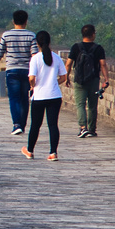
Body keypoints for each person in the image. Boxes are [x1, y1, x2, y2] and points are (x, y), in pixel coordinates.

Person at [0, 10, 36, 135]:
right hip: (27, 70)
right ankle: (23, 124)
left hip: (12, 70)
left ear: (13, 21)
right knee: (24, 98)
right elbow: (35, 55)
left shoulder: (6, 35)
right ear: (26, 22)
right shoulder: (31, 36)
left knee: (14, 98)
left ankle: (16, 124)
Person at [23, 30, 67, 161]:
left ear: (37, 43)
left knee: (36, 125)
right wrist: (54, 82)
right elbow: (64, 77)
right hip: (54, 96)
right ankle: (53, 152)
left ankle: (30, 150)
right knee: (53, 125)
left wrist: (33, 85)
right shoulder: (57, 58)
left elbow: (31, 78)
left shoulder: (35, 58)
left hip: (40, 96)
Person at [68, 24, 108, 138]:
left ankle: (82, 128)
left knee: (80, 105)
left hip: (79, 80)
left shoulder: (76, 47)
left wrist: (66, 77)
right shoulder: (98, 48)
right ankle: (92, 129)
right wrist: (106, 79)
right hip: (93, 80)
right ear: (93, 34)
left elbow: (68, 63)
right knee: (92, 105)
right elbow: (103, 64)